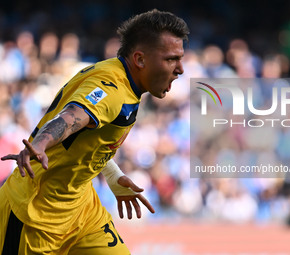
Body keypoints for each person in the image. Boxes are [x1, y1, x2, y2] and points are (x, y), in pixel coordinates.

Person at [0, 9, 189, 255]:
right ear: (140, 60)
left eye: (180, 58)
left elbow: (89, 136)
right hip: (35, 214)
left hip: (81, 209)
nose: (180, 69)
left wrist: (113, 177)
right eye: (171, 59)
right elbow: (72, 117)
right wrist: (41, 143)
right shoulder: (112, 89)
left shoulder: (120, 76)